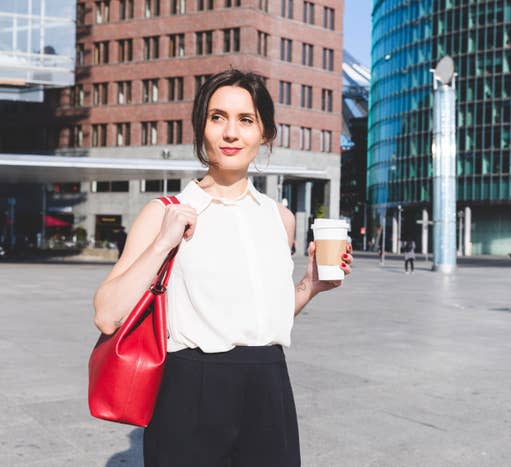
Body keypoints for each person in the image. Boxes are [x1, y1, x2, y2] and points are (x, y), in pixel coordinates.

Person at [92, 70, 353, 467]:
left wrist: (310, 285)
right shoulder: (165, 212)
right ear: (202, 129)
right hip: (189, 387)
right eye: (217, 117)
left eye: (246, 120)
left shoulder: (280, 219)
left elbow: (265, 317)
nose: (231, 132)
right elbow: (106, 314)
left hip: (268, 385)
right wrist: (165, 241)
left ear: (264, 134)